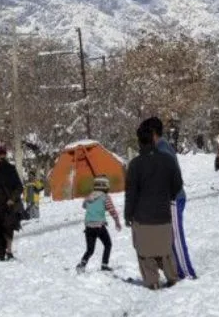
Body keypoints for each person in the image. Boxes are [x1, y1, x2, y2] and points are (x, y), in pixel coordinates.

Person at [125, 121, 183, 290]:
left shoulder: (135, 165)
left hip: (142, 217)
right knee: (165, 250)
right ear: (153, 139)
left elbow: (131, 194)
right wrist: (168, 196)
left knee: (144, 252)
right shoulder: (167, 160)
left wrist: (128, 215)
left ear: (139, 142)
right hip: (163, 215)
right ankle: (172, 277)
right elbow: (177, 184)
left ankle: (152, 281)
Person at [145, 116, 196, 280]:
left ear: (153, 133)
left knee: (176, 237)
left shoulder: (162, 148)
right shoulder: (159, 148)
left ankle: (187, 273)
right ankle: (178, 271)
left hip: (173, 198)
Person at [76, 177, 122, 273]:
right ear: (105, 187)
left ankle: (82, 265)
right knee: (108, 244)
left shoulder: (89, 197)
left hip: (88, 226)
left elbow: (84, 206)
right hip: (99, 226)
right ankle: (104, 265)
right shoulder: (105, 197)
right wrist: (117, 221)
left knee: (90, 249)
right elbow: (112, 210)